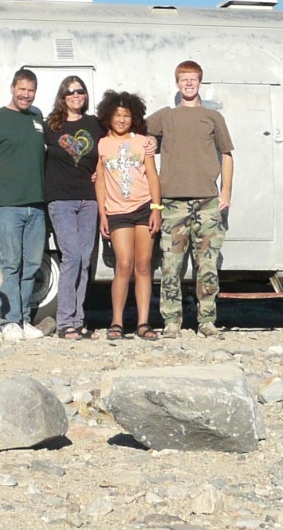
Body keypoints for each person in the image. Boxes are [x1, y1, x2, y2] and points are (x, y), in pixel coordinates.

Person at [146, 60, 234, 338]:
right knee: (171, 265)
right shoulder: (165, 116)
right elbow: (135, 133)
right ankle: (172, 322)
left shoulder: (213, 118)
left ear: (200, 82)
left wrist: (226, 192)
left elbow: (228, 155)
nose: (188, 84)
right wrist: (147, 142)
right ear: (177, 83)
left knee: (206, 264)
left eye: (193, 79)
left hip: (207, 201)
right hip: (172, 203)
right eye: (184, 79)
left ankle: (207, 320)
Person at [0, 68, 47, 342]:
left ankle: (25, 319)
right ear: (12, 88)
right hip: (8, 206)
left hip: (37, 206)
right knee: (10, 265)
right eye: (22, 89)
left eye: (31, 90)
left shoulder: (37, 118)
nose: (26, 95)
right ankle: (8, 320)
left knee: (31, 266)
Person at [95, 90, 162, 341]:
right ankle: (117, 322)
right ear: (108, 116)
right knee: (123, 265)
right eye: (116, 115)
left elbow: (153, 176)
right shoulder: (102, 144)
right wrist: (102, 214)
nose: (121, 119)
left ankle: (144, 322)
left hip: (144, 207)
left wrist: (157, 208)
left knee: (144, 266)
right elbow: (100, 181)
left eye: (126, 115)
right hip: (117, 212)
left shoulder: (143, 142)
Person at [43, 76, 103, 340]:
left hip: (89, 200)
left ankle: (78, 321)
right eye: (70, 92)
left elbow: (107, 153)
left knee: (85, 261)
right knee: (72, 257)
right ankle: (65, 320)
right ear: (62, 97)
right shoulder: (51, 125)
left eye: (80, 91)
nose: (76, 95)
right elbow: (31, 154)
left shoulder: (94, 124)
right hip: (61, 199)